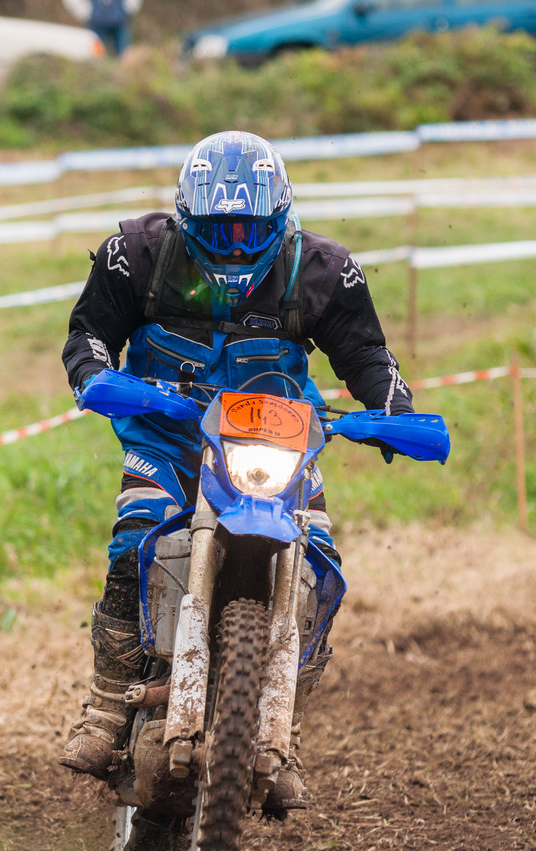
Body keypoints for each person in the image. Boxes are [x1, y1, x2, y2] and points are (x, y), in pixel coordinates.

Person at [59, 130, 414, 814]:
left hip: (277, 442)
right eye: (219, 229)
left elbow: (368, 357)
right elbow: (88, 334)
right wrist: (95, 377)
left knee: (319, 563)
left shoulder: (322, 270)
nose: (233, 244)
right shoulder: (134, 254)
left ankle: (282, 728)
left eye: (248, 228)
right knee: (134, 536)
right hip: (166, 437)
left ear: (279, 217)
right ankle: (105, 707)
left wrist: (392, 411)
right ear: (186, 218)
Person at [61, 0, 142, 57]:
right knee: (96, 58)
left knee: (125, 56)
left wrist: (128, 9)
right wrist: (85, 13)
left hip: (120, 21)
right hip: (96, 24)